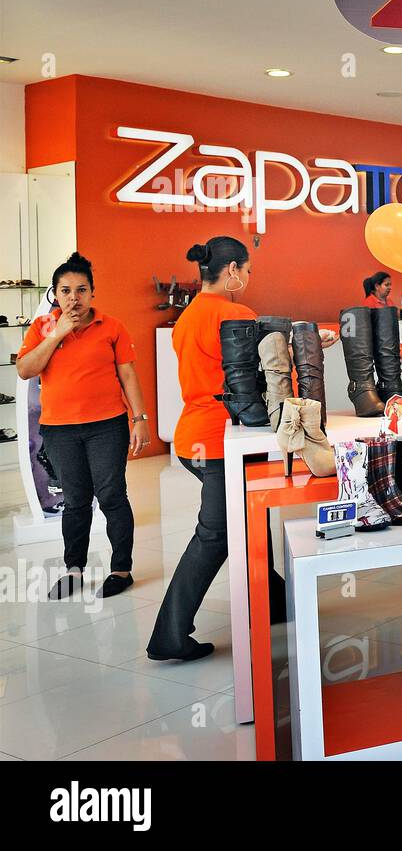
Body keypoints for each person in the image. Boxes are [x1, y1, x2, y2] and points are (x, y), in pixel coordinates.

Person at [146, 236, 256, 661]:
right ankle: (169, 635)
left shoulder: (188, 316)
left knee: (241, 526)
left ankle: (274, 603)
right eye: (246, 270)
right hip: (221, 439)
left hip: (193, 436)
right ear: (231, 272)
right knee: (215, 535)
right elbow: (252, 379)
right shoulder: (235, 314)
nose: (246, 278)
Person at [16, 252, 148, 600]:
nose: (73, 297)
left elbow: (128, 374)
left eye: (81, 289)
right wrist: (57, 334)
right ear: (55, 295)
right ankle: (73, 569)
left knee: (111, 496)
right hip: (60, 430)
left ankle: (121, 569)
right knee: (75, 502)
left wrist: (140, 419)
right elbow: (25, 369)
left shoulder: (112, 326)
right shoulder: (42, 328)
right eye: (65, 290)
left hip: (108, 426)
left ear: (92, 293)